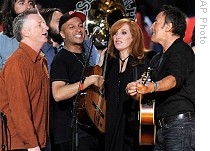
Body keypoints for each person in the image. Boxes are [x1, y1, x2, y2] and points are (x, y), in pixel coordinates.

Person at [126, 5, 195, 151]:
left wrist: (152, 87)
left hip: (180, 127)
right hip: (160, 129)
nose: (152, 26)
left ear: (168, 27)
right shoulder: (156, 59)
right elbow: (146, 91)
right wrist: (134, 88)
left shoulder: (181, 50)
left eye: (156, 22)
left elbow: (173, 80)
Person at [50, 11, 104, 151]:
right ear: (62, 34)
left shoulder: (85, 57)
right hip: (71, 136)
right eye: (71, 27)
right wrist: (88, 81)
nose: (78, 29)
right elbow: (58, 94)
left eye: (80, 25)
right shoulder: (61, 59)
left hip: (89, 131)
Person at [0, 8, 50, 151]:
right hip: (21, 145)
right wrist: (32, 145)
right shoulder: (17, 63)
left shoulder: (41, 61)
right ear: (25, 32)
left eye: (45, 24)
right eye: (39, 24)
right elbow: (19, 109)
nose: (46, 27)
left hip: (39, 141)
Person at [103, 18, 153, 151]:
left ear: (134, 37)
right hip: (110, 124)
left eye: (123, 33)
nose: (117, 36)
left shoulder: (143, 62)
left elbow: (148, 100)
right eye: (115, 33)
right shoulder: (109, 63)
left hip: (133, 127)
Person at [0, 0, 35, 71]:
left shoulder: (43, 36)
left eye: (30, 3)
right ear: (11, 8)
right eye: (21, 3)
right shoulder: (2, 40)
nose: (28, 7)